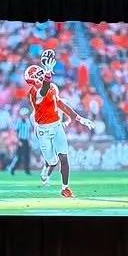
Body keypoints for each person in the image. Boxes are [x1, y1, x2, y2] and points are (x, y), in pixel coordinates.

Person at [27, 60, 93, 200]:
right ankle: (46, 171)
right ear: (32, 80)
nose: (41, 75)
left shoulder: (52, 87)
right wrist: (48, 73)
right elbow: (43, 91)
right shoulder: (34, 92)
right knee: (52, 161)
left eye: (41, 73)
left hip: (56, 126)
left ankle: (65, 188)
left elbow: (61, 104)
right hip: (43, 130)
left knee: (64, 156)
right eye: (38, 75)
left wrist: (80, 119)